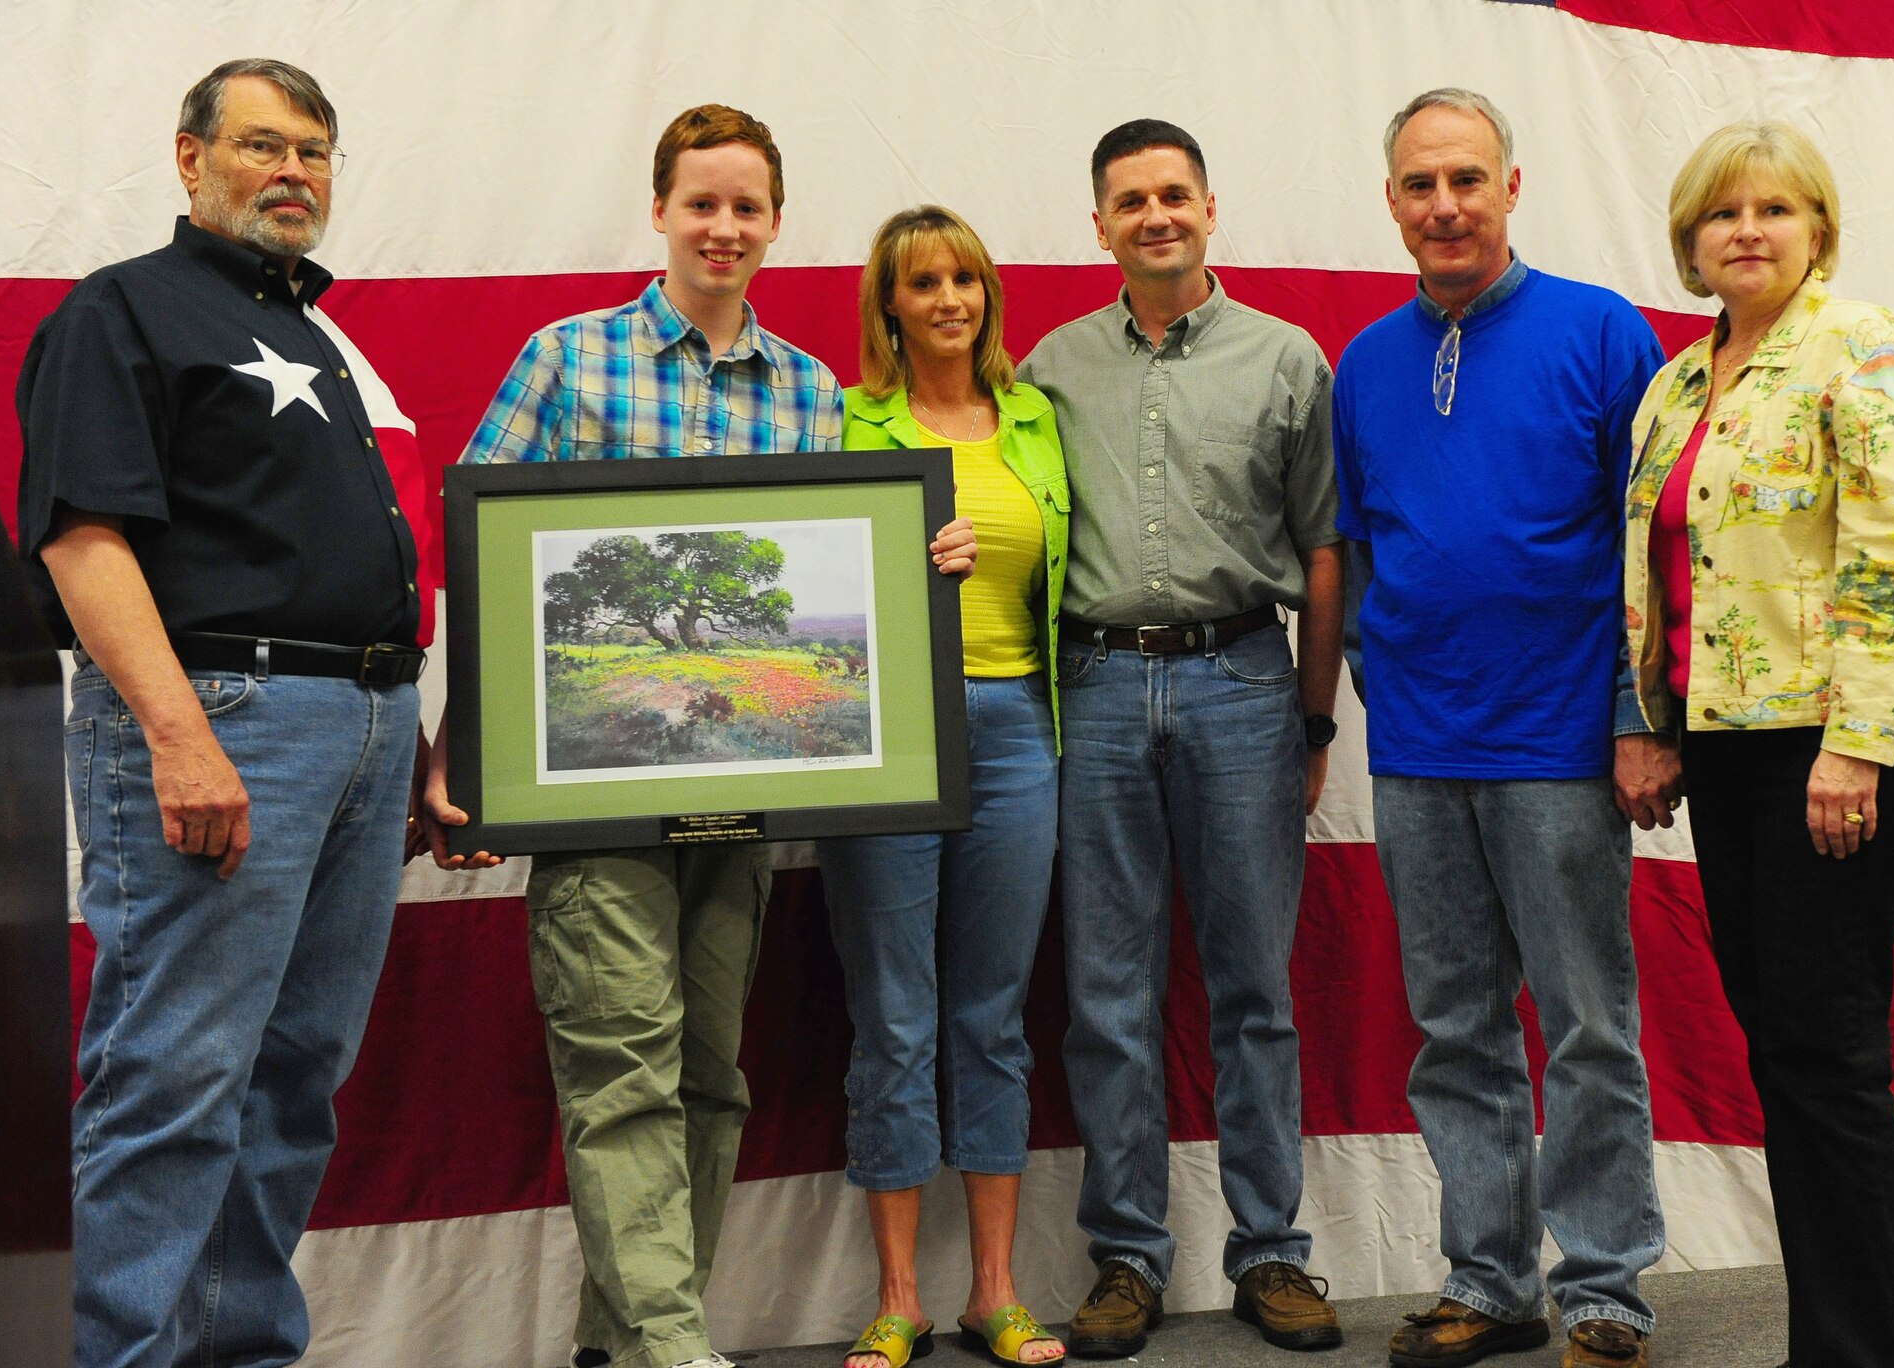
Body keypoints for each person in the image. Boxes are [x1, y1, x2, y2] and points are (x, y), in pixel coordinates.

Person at [420, 107, 973, 1368]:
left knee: (709, 1076)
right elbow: (482, 560)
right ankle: (674, 1347)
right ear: (660, 210)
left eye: (746, 208)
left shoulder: (808, 388)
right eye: (702, 204)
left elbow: (843, 557)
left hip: (740, 806)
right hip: (588, 802)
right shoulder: (568, 359)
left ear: (775, 224)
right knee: (621, 1067)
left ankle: (620, 1344)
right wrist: (458, 750)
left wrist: (920, 556)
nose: (723, 228)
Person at [15, 58, 432, 1367]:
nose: (292, 170)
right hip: (220, 717)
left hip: (360, 724)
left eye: (313, 149)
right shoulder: (123, 311)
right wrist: (179, 736)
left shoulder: (320, 337)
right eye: (261, 144)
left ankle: (237, 1347)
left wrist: (406, 737)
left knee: (294, 1078)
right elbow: (81, 540)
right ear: (191, 157)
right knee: (175, 1078)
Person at [1332, 88, 1667, 1368]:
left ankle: (1603, 1291)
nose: (1444, 205)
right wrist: (1380, 677)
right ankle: (1488, 1281)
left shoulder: (1601, 333)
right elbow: (1359, 547)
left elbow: (1650, 544)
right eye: (1420, 184)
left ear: (1510, 187)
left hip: (1560, 749)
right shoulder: (1365, 362)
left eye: (1466, 179)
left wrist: (1635, 718)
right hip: (1418, 754)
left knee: (1587, 1030)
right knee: (1455, 1032)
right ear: (1390, 202)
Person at [1626, 121, 1894, 1368]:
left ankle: (1865, 1351)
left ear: (1816, 227)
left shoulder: (1864, 349)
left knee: (1823, 1051)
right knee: (1784, 1048)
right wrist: (1656, 729)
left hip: (1839, 746)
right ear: (1689, 240)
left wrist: (1855, 748)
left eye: (1772, 208)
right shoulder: (1676, 385)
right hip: (1728, 749)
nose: (1745, 231)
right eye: (1720, 213)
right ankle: (1850, 1338)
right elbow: (1659, 575)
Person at [1017, 119, 1345, 1357]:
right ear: (1097, 224)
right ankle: (1125, 1257)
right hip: (1095, 687)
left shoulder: (1285, 360)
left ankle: (1271, 1253)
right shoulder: (1048, 369)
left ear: (1209, 208)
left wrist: (1313, 717)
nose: (1153, 215)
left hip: (1241, 684)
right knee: (1106, 990)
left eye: (1172, 194)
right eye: (1129, 200)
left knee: (1253, 985)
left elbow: (1323, 550)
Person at [818, 205, 1068, 1368]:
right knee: (894, 1017)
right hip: (888, 736)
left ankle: (995, 1294)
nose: (948, 300)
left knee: (992, 1016)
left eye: (964, 279)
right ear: (890, 304)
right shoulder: (844, 422)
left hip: (1019, 730)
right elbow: (811, 583)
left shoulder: (1036, 420)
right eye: (923, 283)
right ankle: (898, 1299)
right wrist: (893, 560)